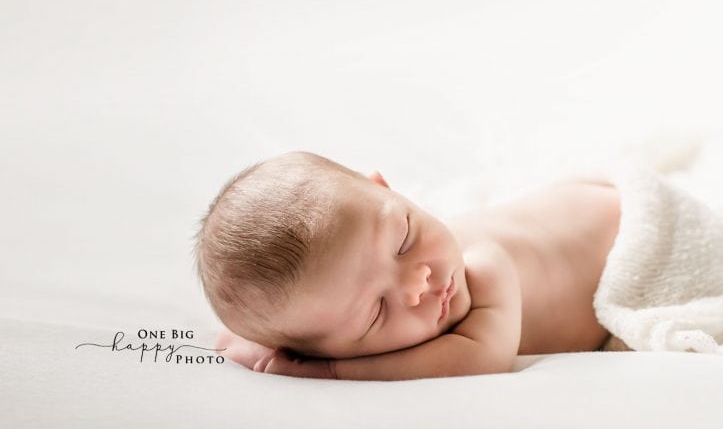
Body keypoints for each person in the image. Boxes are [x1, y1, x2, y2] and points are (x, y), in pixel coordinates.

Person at [194, 151, 620, 381]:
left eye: (404, 240)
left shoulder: (484, 265)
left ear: (385, 188)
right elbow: (254, 327)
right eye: (377, 311)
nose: (419, 284)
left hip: (615, 221)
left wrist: (329, 371)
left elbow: (478, 361)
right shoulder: (327, 304)